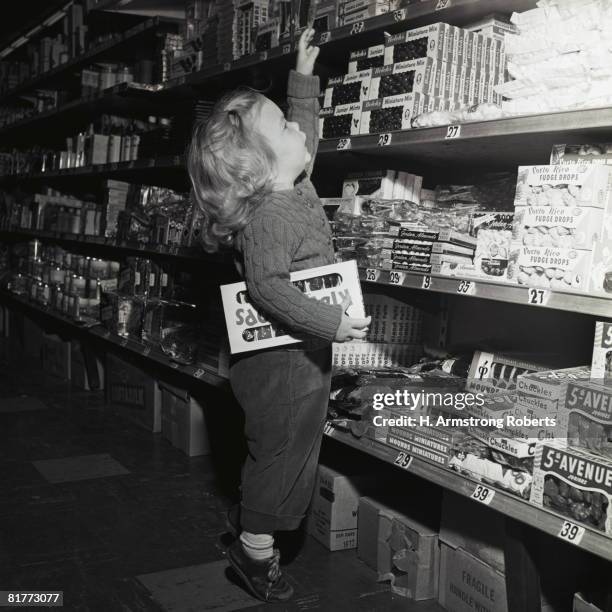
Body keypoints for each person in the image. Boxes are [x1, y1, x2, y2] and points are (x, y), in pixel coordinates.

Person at [187, 29, 370, 602]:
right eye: (285, 127)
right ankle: (253, 551)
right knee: (284, 452)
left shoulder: (290, 182)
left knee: (291, 448)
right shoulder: (271, 216)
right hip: (281, 360)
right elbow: (266, 288)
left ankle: (253, 523)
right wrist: (331, 323)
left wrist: (303, 81)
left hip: (298, 354)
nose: (299, 132)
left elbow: (302, 140)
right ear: (262, 166)